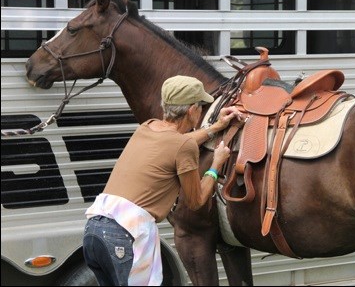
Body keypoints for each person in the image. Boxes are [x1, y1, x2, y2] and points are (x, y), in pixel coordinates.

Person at [82, 75, 243, 286]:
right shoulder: (183, 147)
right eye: (201, 106)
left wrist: (214, 128)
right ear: (193, 110)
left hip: (94, 231)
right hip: (125, 235)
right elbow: (196, 201)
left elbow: (177, 142)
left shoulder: (146, 128)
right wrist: (215, 164)